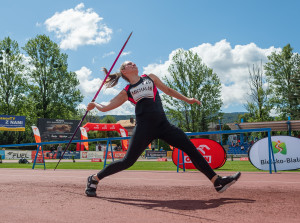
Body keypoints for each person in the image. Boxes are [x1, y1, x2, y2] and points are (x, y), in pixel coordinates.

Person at [85, 61, 241, 197]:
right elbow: (106, 107)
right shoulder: (126, 91)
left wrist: (187, 100)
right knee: (127, 161)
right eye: (129, 64)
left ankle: (217, 182)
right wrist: (95, 105)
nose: (133, 64)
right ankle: (94, 179)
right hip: (144, 129)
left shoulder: (150, 78)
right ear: (124, 71)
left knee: (191, 149)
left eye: (133, 63)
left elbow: (168, 91)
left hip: (163, 125)